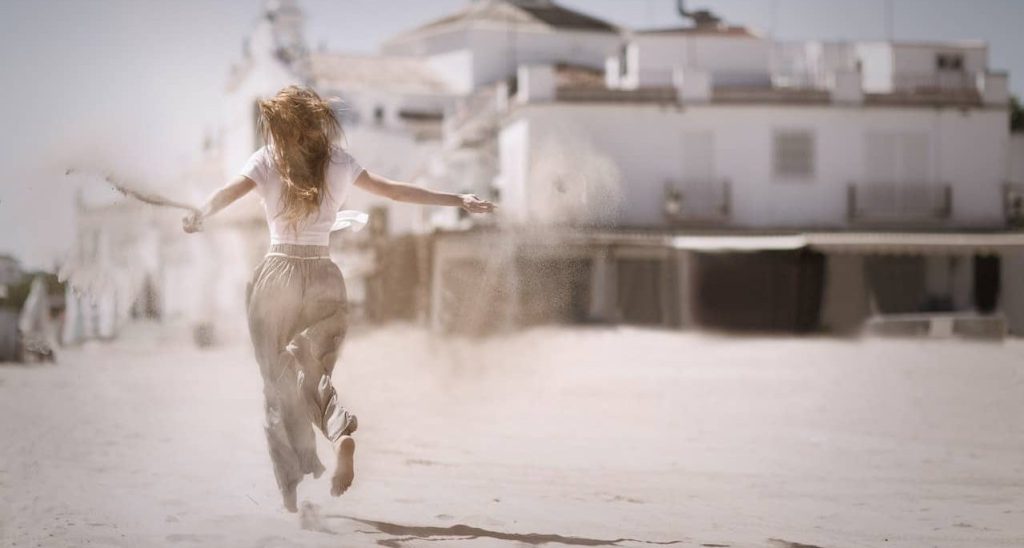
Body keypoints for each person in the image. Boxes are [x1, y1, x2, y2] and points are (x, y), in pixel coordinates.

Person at [181, 85, 495, 512]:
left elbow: (227, 193)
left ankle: (294, 494)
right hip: (325, 274)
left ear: (280, 127)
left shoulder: (267, 161)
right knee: (310, 369)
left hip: (277, 276)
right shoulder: (339, 163)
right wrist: (458, 199)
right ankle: (338, 430)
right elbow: (397, 192)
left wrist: (201, 212)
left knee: (278, 386)